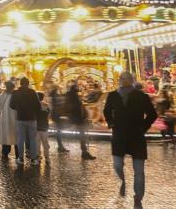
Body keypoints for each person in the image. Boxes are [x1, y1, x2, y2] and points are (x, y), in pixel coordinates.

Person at [104, 72, 158, 209]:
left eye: (127, 79)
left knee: (139, 171)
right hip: (119, 135)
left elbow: (152, 114)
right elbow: (106, 111)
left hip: (136, 136)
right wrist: (111, 123)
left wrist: (143, 127)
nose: (124, 81)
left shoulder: (141, 96)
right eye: (122, 78)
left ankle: (138, 197)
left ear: (132, 81)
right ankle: (122, 180)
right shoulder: (113, 96)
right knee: (117, 165)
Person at [11, 77, 41, 165]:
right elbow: (38, 106)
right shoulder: (32, 92)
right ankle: (33, 159)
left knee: (20, 139)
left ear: (20, 83)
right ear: (28, 84)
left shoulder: (15, 93)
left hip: (20, 118)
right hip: (31, 118)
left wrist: (19, 109)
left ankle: (20, 158)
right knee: (32, 139)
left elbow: (11, 105)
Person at [65, 80, 96, 160]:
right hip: (78, 119)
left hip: (74, 118)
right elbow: (77, 108)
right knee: (83, 135)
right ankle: (84, 152)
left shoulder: (69, 96)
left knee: (83, 135)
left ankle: (84, 152)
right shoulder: (74, 97)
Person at [0, 80, 17, 157]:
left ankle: (5, 152)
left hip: (5, 117)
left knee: (6, 135)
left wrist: (4, 111)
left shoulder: (2, 95)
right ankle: (18, 154)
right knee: (14, 135)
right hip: (14, 117)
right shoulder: (14, 95)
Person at [48, 83, 68, 152]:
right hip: (57, 114)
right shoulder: (56, 96)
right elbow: (63, 101)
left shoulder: (52, 96)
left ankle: (60, 146)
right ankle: (60, 146)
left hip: (55, 114)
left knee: (59, 130)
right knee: (59, 130)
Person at [36, 92, 51, 164]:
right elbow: (48, 117)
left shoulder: (34, 106)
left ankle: (38, 157)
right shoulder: (47, 106)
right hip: (44, 127)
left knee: (37, 143)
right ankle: (47, 158)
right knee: (45, 143)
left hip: (36, 127)